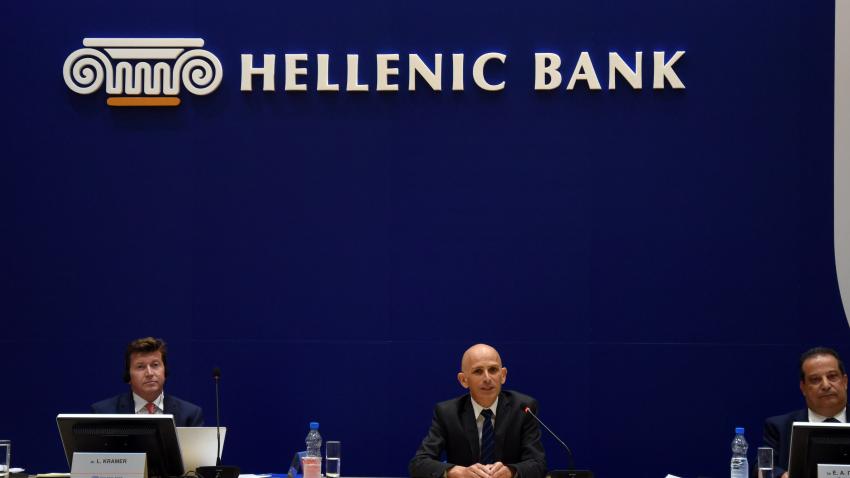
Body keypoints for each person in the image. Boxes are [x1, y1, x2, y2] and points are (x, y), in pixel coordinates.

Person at [409, 344, 547, 478]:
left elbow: (538, 464)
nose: (487, 378)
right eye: (478, 371)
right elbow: (419, 464)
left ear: (503, 375)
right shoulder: (447, 413)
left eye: (493, 370)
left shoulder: (523, 409)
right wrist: (456, 472)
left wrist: (511, 472)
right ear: (463, 380)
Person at [762, 346, 848, 478]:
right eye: (815, 380)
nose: (826, 385)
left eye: (832, 376)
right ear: (803, 388)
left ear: (845, 382)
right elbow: (762, 466)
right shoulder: (778, 427)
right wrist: (782, 476)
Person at [91, 337, 204, 427]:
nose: (149, 373)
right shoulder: (103, 413)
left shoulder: (190, 415)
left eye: (155, 365)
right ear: (128, 376)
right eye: (140, 366)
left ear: (165, 371)